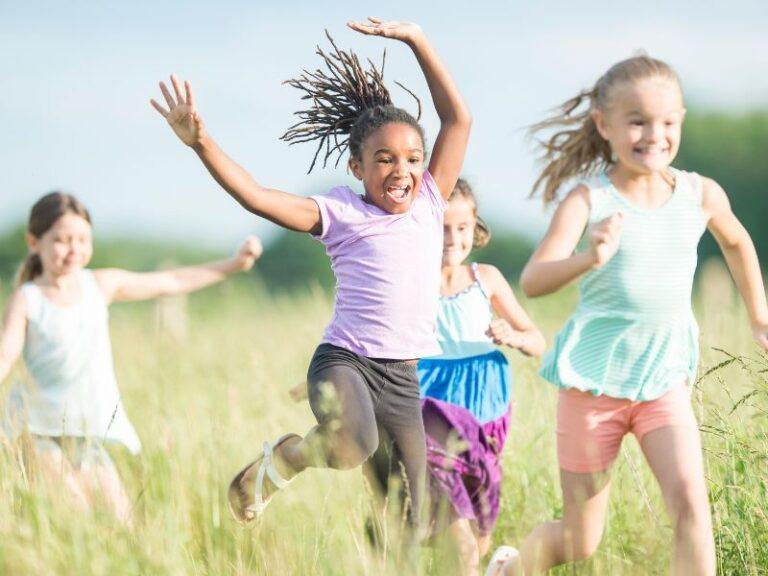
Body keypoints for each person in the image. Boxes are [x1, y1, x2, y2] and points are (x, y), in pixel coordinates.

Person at [150, 17, 471, 546]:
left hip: (403, 378)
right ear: (356, 165)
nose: (402, 170)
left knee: (412, 518)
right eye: (384, 159)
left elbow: (457, 118)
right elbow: (257, 196)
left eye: (413, 158)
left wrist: (417, 39)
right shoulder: (339, 212)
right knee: (351, 445)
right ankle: (286, 458)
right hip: (345, 362)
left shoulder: (432, 201)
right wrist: (201, 142)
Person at [486, 55, 768, 576]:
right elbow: (534, 278)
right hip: (592, 387)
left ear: (681, 119)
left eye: (666, 122)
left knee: (690, 505)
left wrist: (759, 316)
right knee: (580, 538)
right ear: (604, 125)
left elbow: (736, 242)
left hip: (665, 382)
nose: (653, 134)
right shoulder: (588, 200)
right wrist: (590, 258)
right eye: (636, 120)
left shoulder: (699, 194)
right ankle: (511, 568)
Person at [0, 192, 262, 524]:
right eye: (61, 240)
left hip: (88, 433)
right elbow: (5, 354)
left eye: (82, 239)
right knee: (76, 516)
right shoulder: (28, 299)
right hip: (38, 432)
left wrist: (234, 264)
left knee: (123, 521)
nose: (73, 249)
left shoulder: (99, 285)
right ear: (34, 242)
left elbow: (170, 281)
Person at [418, 179, 544, 576]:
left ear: (475, 228)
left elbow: (538, 340)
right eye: (442, 228)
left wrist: (514, 336)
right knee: (454, 520)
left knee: (479, 522)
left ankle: (491, 563)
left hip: (486, 400)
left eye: (462, 228)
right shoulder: (412, 280)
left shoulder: (485, 278)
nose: (452, 239)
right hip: (432, 402)